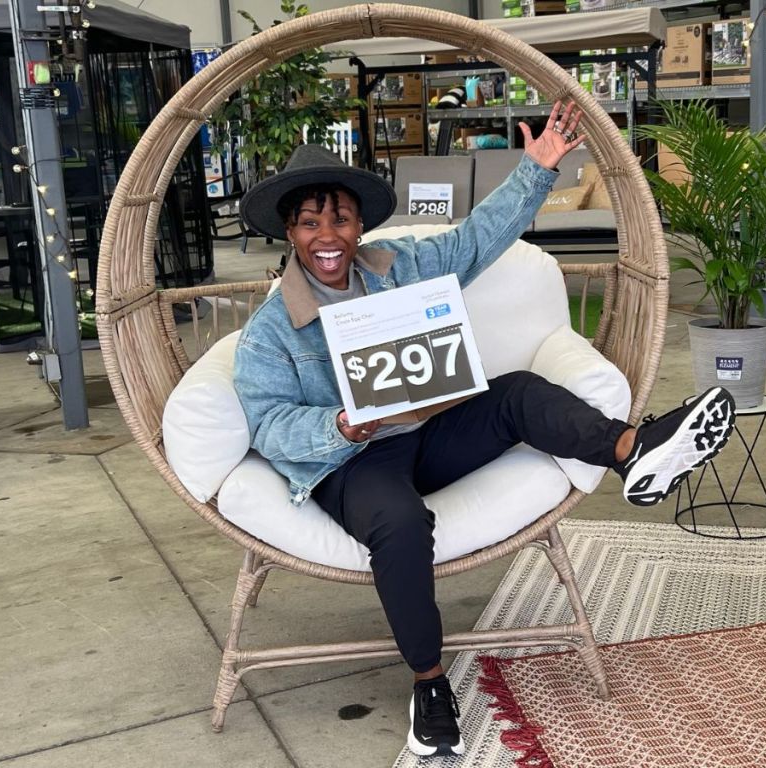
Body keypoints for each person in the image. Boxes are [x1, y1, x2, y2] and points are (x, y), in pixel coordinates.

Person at [234, 102, 736, 757]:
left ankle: (632, 450)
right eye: (309, 223)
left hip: (427, 433)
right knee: (402, 524)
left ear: (359, 224)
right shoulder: (271, 332)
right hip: (354, 462)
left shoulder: (398, 265)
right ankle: (430, 683)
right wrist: (341, 424)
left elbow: (476, 239)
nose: (327, 235)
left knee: (518, 394)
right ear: (290, 234)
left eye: (340, 218)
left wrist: (536, 170)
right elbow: (270, 426)